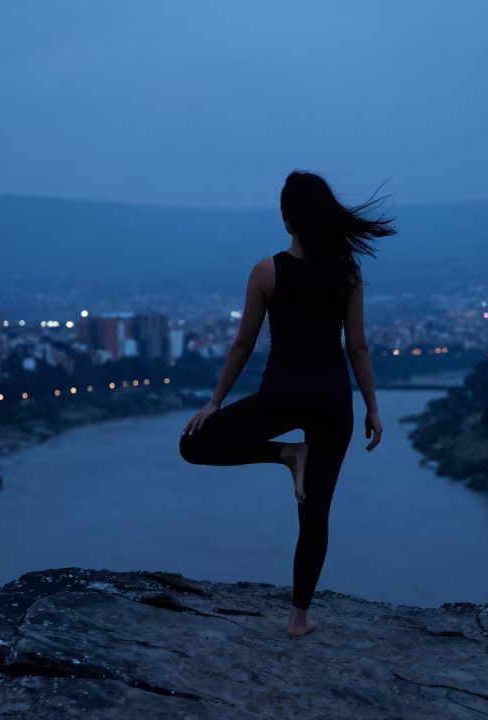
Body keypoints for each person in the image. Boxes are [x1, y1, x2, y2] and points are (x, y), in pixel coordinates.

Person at [179, 170, 395, 638]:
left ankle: (286, 454)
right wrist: (373, 408)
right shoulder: (348, 270)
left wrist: (215, 402)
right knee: (315, 514)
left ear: (286, 219)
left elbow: (242, 344)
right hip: (334, 402)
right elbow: (357, 347)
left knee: (192, 445)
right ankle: (298, 618)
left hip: (282, 396)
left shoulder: (267, 271)